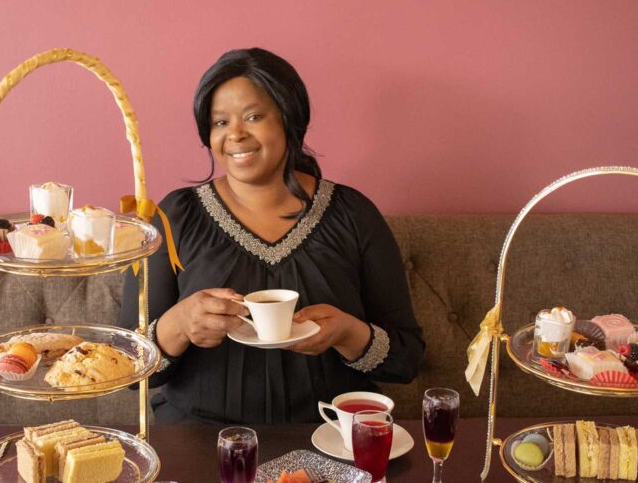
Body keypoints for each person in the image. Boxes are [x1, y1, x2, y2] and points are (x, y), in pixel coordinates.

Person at [120, 47, 424, 424]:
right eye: (219, 122)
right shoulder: (173, 217)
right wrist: (178, 325)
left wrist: (349, 332)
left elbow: (406, 360)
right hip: (199, 438)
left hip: (329, 438)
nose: (235, 134)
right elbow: (125, 368)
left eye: (253, 116)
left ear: (288, 119)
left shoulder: (354, 214)